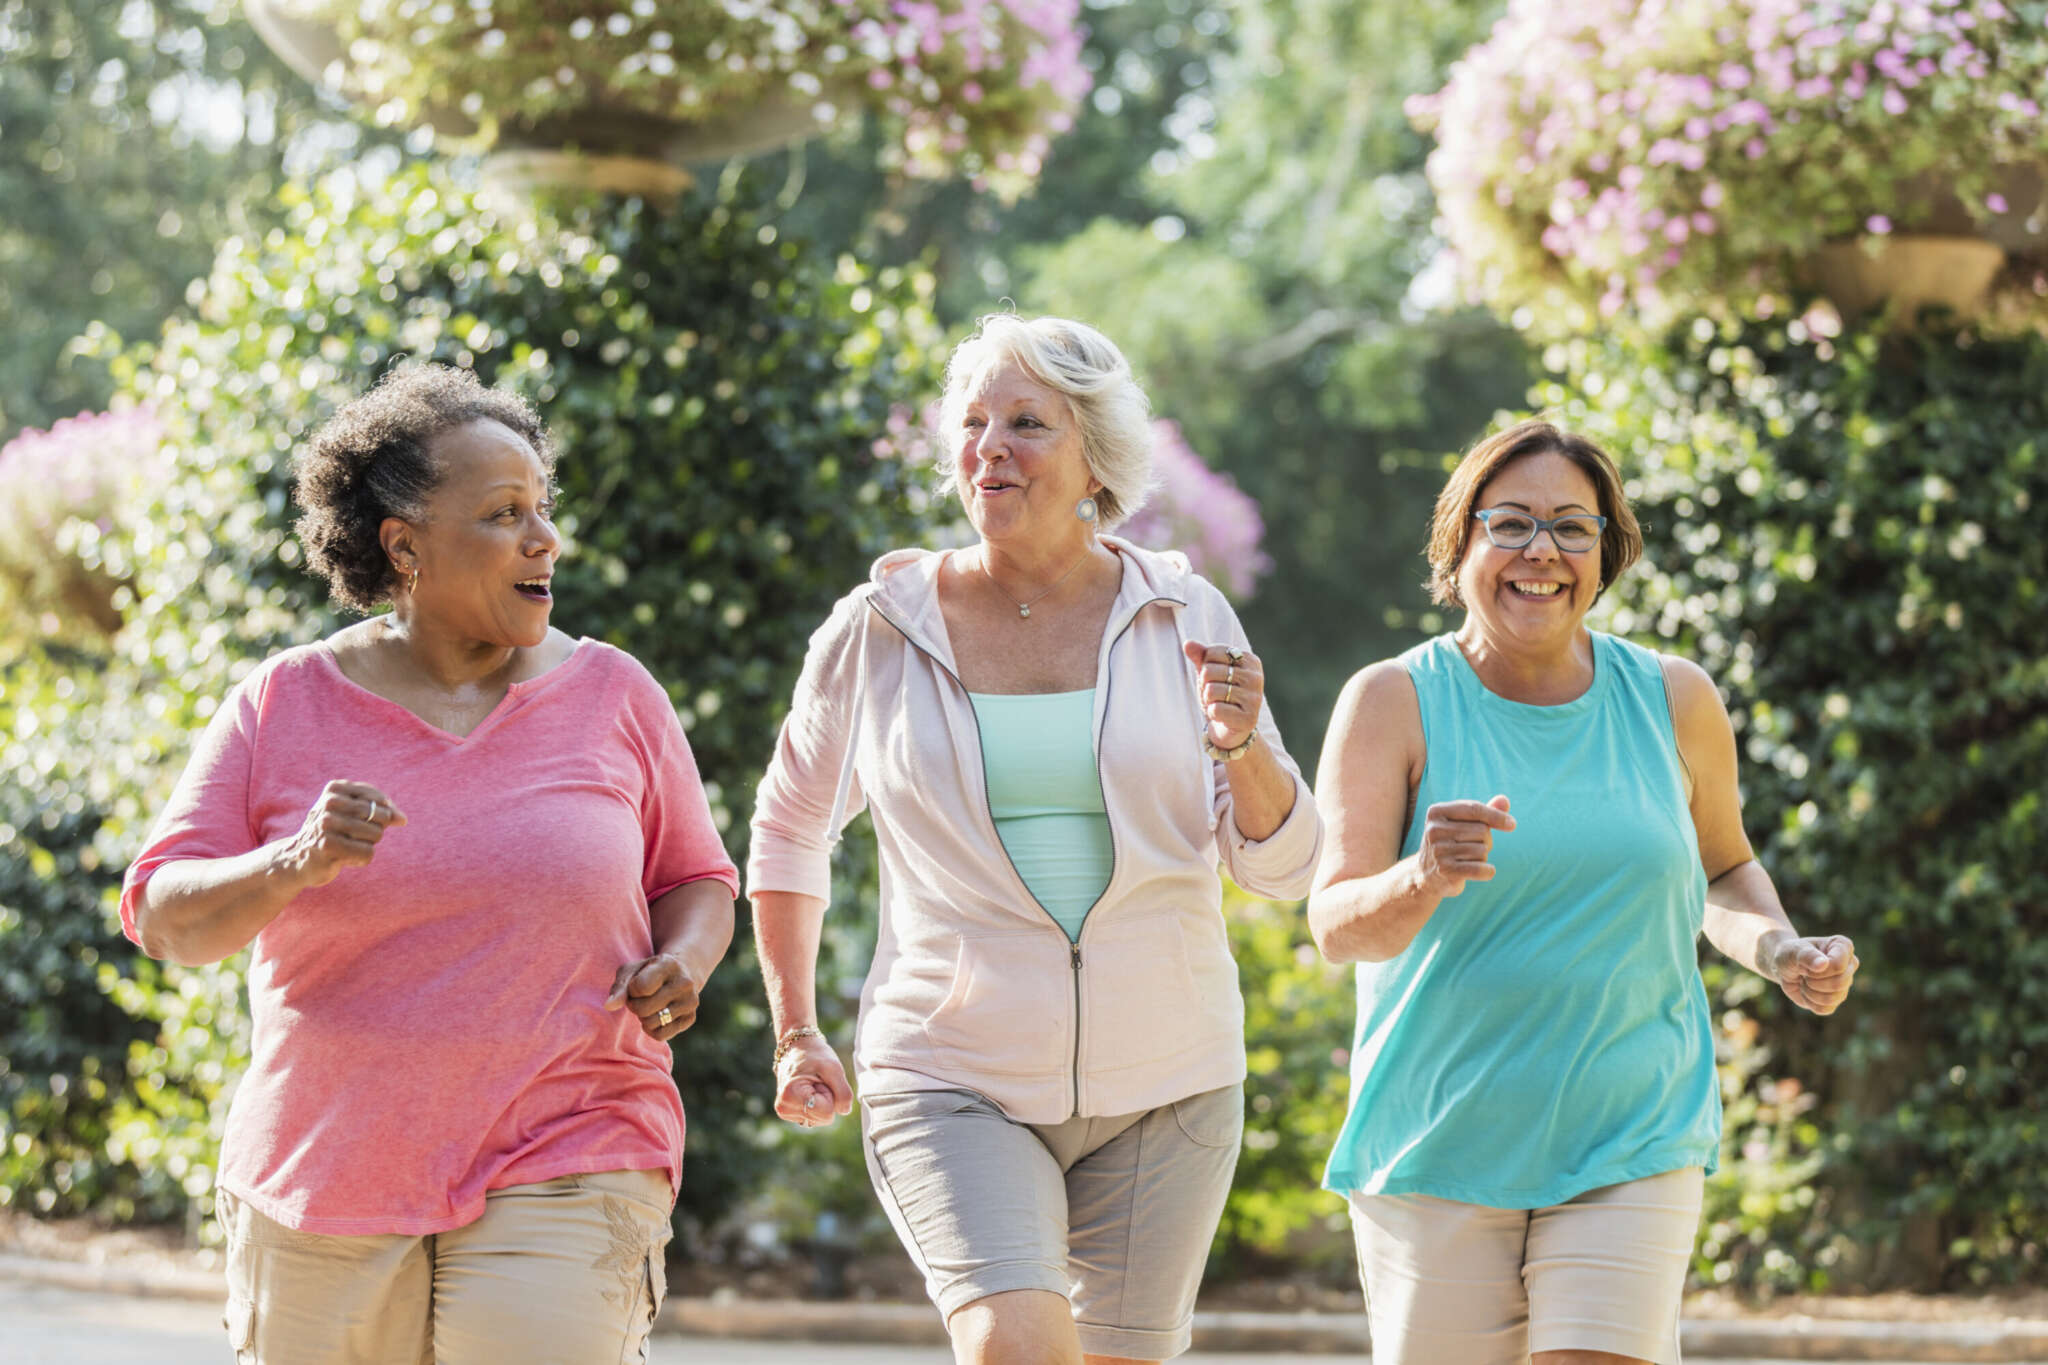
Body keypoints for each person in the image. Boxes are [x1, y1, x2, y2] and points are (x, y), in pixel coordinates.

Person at [120, 363, 738, 1365]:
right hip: (328, 1172)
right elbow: (164, 915)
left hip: (574, 1138)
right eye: (503, 514)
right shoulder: (284, 704)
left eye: (542, 509)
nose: (544, 539)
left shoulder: (614, 695)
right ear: (404, 547)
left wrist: (688, 961)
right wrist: (292, 862)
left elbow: (695, 878)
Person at [748, 314, 1323, 1364]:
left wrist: (1242, 749)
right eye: (971, 424)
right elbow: (789, 828)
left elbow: (1282, 868)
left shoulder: (1183, 613)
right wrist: (796, 1030)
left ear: (1096, 456)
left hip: (1170, 1078)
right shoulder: (878, 627)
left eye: (1025, 423)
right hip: (949, 1066)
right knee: (1013, 1348)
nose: (988, 448)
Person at [1308, 417, 1859, 1365]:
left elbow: (1723, 868)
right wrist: (1424, 873)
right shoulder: (1391, 699)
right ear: (1461, 542)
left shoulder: (1673, 698)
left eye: (1573, 527)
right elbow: (1336, 924)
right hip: (1437, 1142)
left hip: (1630, 1133)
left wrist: (1779, 948)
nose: (1542, 552)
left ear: (1607, 552)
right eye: (1511, 522)